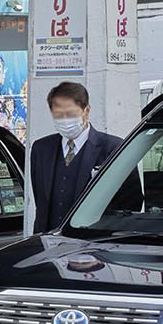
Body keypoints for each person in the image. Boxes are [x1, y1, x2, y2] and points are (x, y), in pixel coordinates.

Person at [30, 80, 123, 234]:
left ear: (86, 111)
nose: (65, 120)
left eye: (71, 114)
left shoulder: (112, 148)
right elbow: (40, 198)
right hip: (49, 241)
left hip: (94, 242)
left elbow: (129, 201)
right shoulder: (41, 149)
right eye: (58, 115)